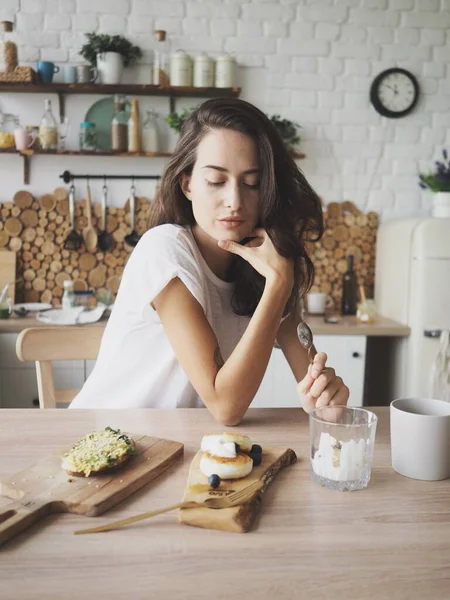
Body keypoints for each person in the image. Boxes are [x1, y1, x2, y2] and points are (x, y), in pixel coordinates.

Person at [70, 98, 349, 423]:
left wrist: (326, 397)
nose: (234, 201)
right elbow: (225, 406)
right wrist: (279, 286)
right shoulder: (165, 251)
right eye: (216, 181)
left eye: (251, 183)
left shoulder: (265, 265)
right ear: (186, 183)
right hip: (102, 440)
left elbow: (311, 381)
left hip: (176, 445)